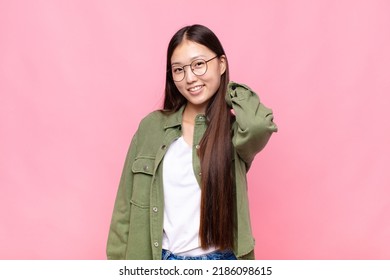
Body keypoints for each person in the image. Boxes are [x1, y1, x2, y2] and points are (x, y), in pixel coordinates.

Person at [106, 24, 277, 260]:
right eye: (178, 70)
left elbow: (259, 125)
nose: (189, 78)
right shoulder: (151, 128)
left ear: (221, 63)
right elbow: (123, 209)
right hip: (161, 260)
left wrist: (228, 90)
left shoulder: (234, 131)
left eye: (199, 64)